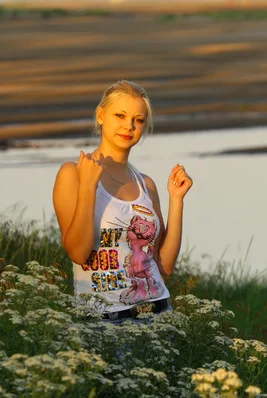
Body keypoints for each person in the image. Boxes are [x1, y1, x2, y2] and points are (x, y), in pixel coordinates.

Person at [52, 80, 192, 323]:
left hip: (159, 316)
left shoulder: (145, 184)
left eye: (138, 120)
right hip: (105, 321)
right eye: (120, 115)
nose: (129, 126)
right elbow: (77, 252)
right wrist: (87, 187)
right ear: (100, 115)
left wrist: (176, 200)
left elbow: (164, 267)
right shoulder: (72, 173)